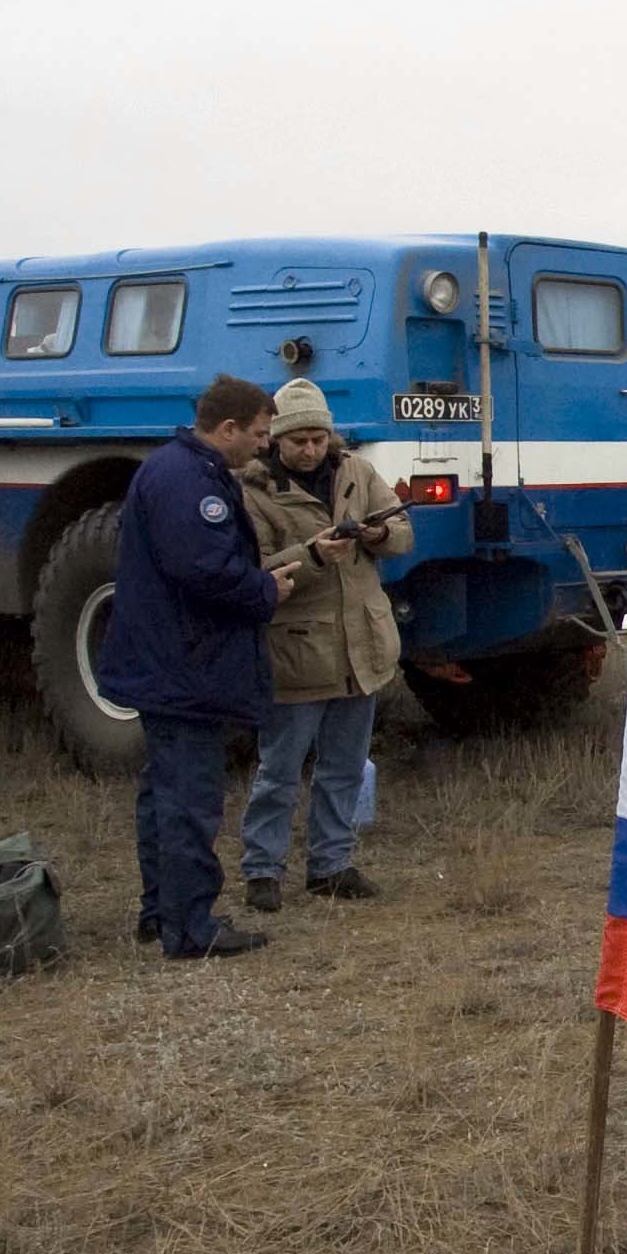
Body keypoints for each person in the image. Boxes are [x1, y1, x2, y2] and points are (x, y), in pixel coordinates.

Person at [98, 376, 303, 958]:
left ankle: (161, 911)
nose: (265, 445)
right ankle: (190, 926)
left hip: (167, 661)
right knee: (189, 798)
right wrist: (265, 590)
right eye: (261, 434)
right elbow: (204, 570)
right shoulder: (191, 483)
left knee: (164, 793)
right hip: (184, 666)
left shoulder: (175, 471)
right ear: (228, 429)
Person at [236, 379, 414, 912]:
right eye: (298, 441)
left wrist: (377, 536)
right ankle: (262, 871)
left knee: (344, 767)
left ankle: (331, 865)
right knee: (279, 772)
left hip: (363, 649)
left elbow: (403, 531)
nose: (310, 450)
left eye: (318, 438)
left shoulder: (357, 473)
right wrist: (313, 555)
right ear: (278, 442)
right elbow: (253, 571)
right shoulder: (255, 492)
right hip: (298, 653)